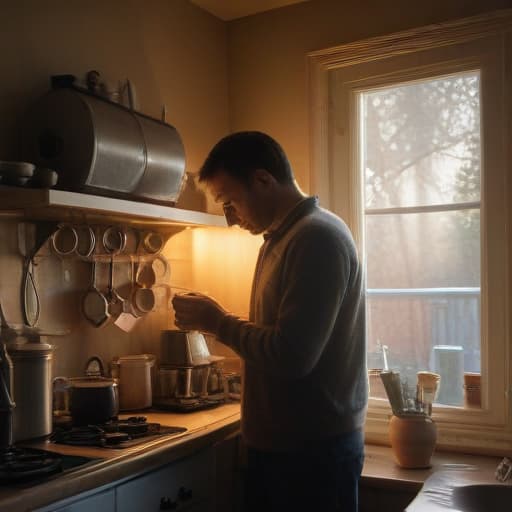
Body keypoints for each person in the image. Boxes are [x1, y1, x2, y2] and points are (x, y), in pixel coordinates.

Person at [172, 131, 367, 512]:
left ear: (263, 180)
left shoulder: (315, 239)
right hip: (290, 451)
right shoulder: (282, 239)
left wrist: (218, 321)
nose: (230, 218)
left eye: (230, 201)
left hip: (310, 459)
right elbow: (282, 336)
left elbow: (292, 355)